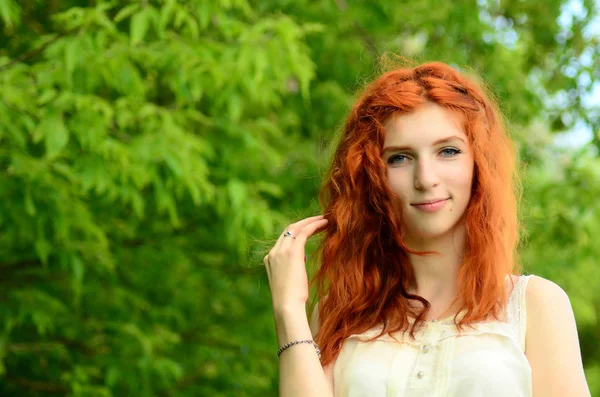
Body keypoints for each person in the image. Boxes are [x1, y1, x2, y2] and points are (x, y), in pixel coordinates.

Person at [263, 61, 591, 397]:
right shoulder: (340, 313)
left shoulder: (533, 304)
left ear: (479, 164)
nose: (426, 179)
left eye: (448, 151)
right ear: (371, 178)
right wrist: (288, 309)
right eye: (399, 158)